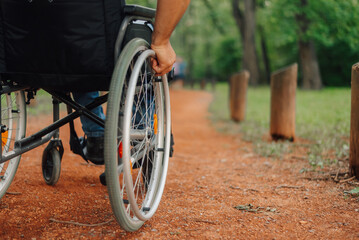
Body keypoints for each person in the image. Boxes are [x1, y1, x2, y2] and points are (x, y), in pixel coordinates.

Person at [77, 0, 191, 164]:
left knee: (78, 59)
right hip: (105, 53)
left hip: (47, 59)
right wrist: (161, 41)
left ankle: (96, 137)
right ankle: (142, 134)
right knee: (139, 31)